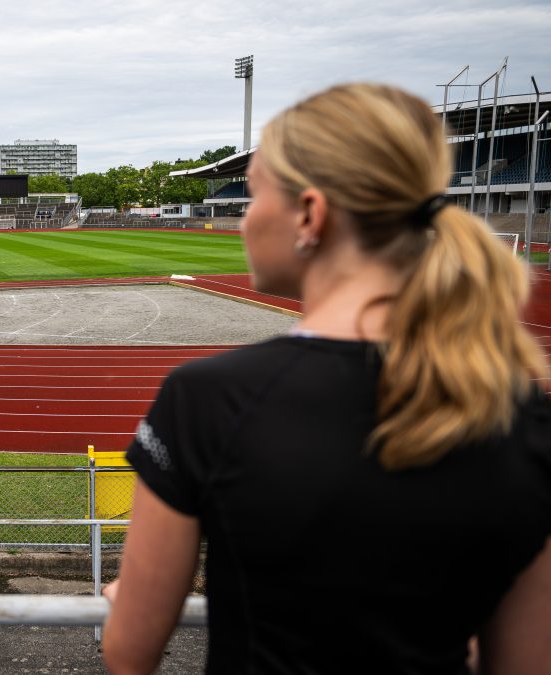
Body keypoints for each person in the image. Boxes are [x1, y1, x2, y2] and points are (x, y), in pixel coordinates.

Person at [101, 83, 551, 675]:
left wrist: (122, 605)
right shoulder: (525, 415)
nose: (243, 221)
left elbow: (131, 656)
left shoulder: (207, 400)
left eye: (254, 198)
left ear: (310, 215)